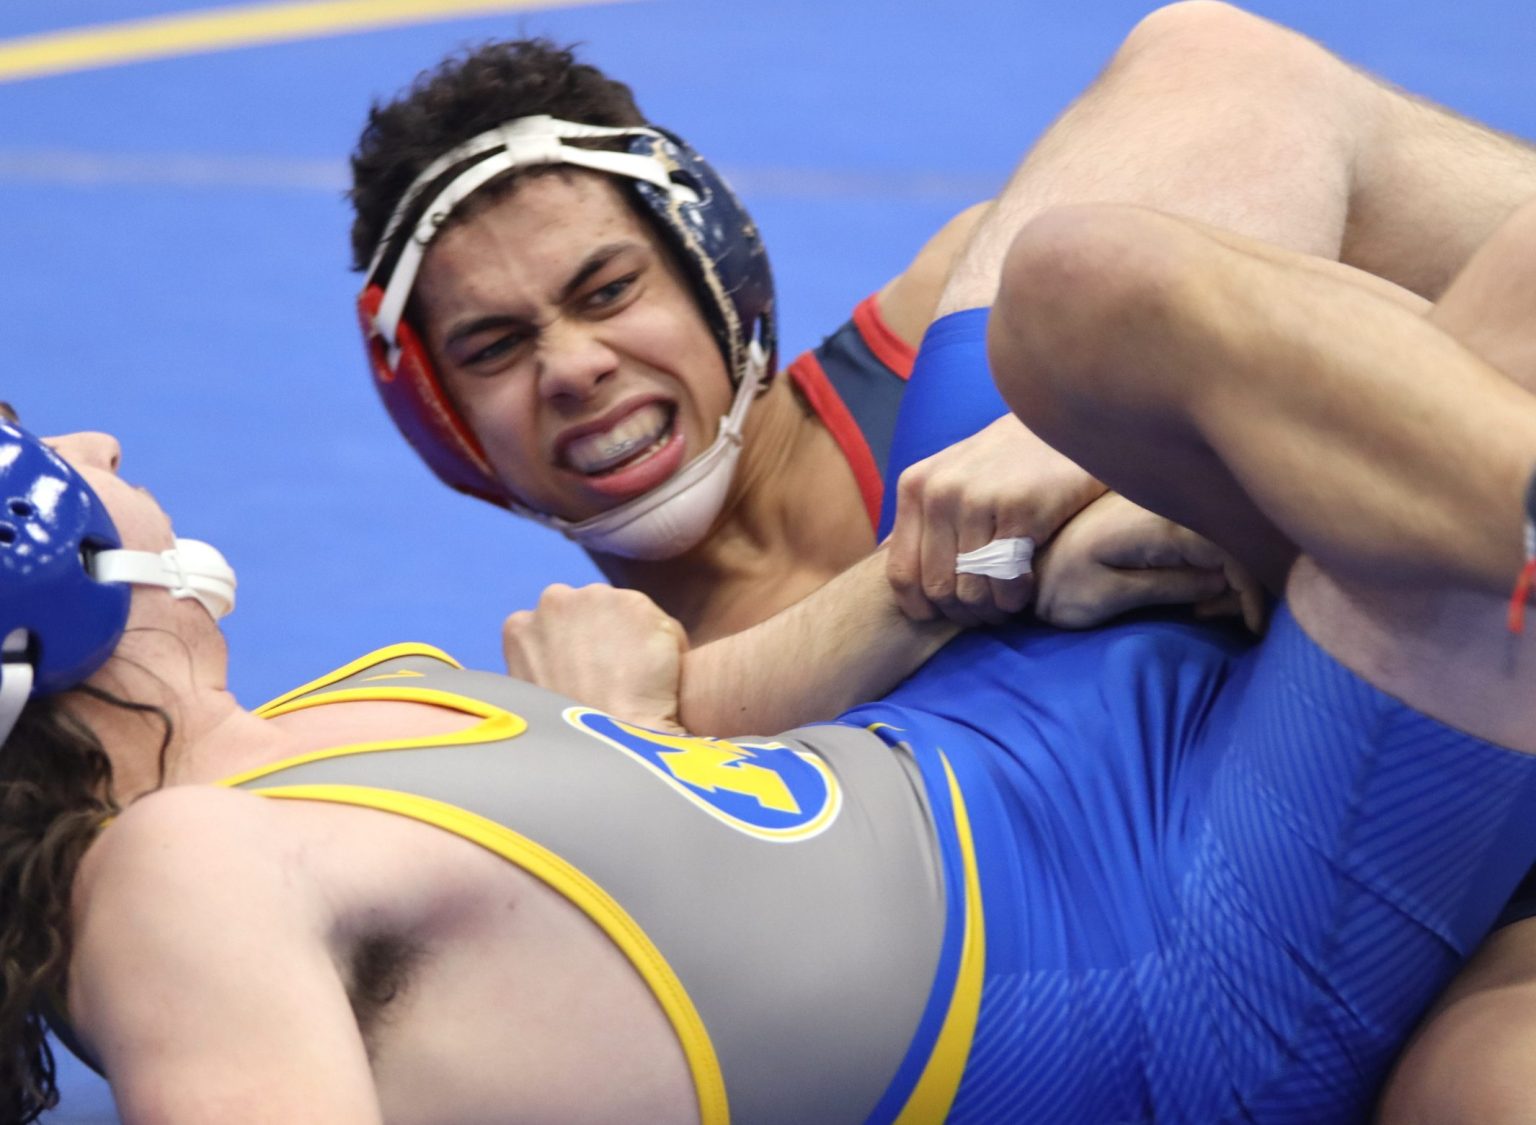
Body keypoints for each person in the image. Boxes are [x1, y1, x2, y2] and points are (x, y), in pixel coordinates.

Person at [8, 187, 1536, 1122]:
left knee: (1226, 279)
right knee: (1107, 281)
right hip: (1184, 957)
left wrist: (979, 576)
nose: (99, 441)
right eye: (42, 455)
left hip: (1072, 746)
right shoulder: (170, 874)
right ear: (40, 576)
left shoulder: (355, 710)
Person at [348, 2, 1536, 697]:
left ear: (718, 270)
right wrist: (1001, 564)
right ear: (440, 428)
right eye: (495, 348)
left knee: (1197, 93)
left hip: (1447, 650)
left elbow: (1425, 342)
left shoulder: (968, 319)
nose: (572, 366)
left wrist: (1143, 460)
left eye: (608, 291)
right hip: (1377, 915)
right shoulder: (605, 678)